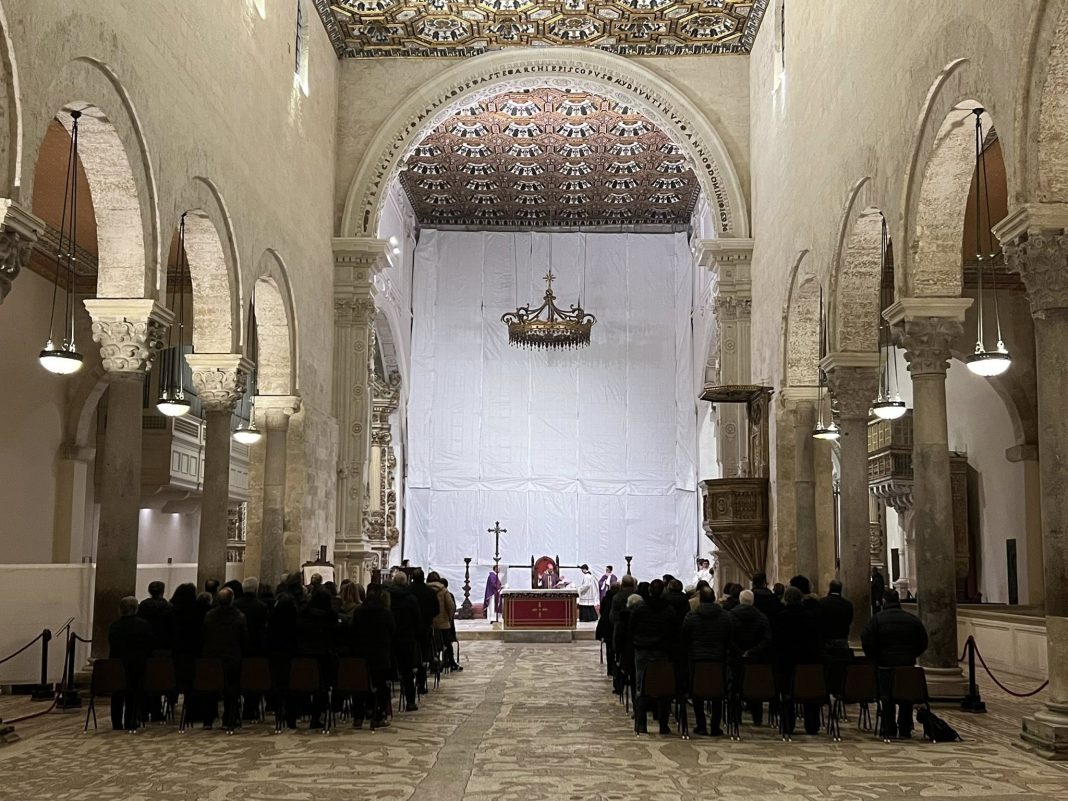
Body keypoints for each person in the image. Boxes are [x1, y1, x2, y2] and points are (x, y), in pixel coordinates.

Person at [861, 589, 928, 739]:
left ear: (884, 601)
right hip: (907, 665)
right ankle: (905, 728)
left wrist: (875, 657)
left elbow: (866, 640)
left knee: (887, 698)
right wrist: (911, 655)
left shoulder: (877, 620)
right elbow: (923, 641)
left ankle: (889, 728)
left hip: (885, 665)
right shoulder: (912, 619)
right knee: (906, 697)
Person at [771, 586, 823, 736]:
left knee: (787, 694)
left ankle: (788, 724)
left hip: (786, 661)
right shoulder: (811, 617)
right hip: (808, 660)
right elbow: (817, 639)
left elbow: (776, 642)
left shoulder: (780, 618)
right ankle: (812, 725)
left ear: (786, 599)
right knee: (809, 693)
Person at [681, 585, 732, 736]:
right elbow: (729, 637)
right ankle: (715, 726)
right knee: (718, 694)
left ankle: (701, 724)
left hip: (697, 659)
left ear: (700, 599)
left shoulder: (692, 616)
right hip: (718, 658)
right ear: (714, 599)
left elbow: (685, 638)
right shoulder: (724, 616)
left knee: (697, 694)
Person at [630, 579, 679, 735]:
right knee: (663, 688)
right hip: (662, 651)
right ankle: (663, 725)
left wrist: (637, 642)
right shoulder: (669, 610)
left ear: (650, 591)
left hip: (643, 651)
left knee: (641, 688)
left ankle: (641, 724)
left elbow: (632, 628)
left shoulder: (639, 608)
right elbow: (674, 631)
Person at [201, 587, 247, 730]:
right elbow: (243, 638)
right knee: (231, 689)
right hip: (232, 656)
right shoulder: (238, 616)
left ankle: (208, 720)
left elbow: (204, 635)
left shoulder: (209, 615)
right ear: (232, 599)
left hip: (212, 656)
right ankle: (229, 718)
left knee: (210, 689)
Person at [349, 583, 395, 728]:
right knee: (380, 686)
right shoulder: (386, 613)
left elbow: (353, 631)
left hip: (361, 654)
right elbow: (392, 632)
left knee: (360, 685)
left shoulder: (358, 612)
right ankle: (378, 716)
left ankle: (358, 717)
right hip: (380, 655)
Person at [108, 596, 154, 730]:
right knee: (133, 693)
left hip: (117, 663)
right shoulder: (143, 625)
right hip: (137, 664)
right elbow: (149, 645)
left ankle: (116, 722)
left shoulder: (114, 626)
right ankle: (131, 721)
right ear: (135, 609)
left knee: (117, 694)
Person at [729, 589, 772, 725]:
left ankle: (735, 717)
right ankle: (757, 718)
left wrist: (738, 651)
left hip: (736, 658)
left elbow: (728, 637)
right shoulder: (761, 617)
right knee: (755, 688)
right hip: (755, 659)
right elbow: (766, 639)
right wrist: (753, 651)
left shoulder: (731, 616)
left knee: (735, 687)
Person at [296, 589, 338, 729]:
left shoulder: (304, 615)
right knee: (323, 686)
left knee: (304, 684)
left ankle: (302, 711)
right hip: (324, 656)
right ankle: (317, 715)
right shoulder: (330, 617)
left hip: (305, 655)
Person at [388, 571, 422, 711]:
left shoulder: (388, 597)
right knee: (407, 671)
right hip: (407, 638)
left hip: (391, 638)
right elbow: (417, 619)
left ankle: (385, 705)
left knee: (389, 669)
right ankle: (410, 701)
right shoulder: (411, 599)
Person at [410, 568, 440, 690]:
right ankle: (421, 683)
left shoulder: (408, 590)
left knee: (412, 654)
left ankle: (410, 679)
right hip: (425, 627)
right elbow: (436, 610)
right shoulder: (430, 592)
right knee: (423, 654)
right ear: (423, 578)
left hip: (411, 628)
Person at [427, 571, 460, 670]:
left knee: (430, 644)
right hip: (442, 623)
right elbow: (451, 606)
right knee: (447, 643)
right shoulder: (444, 591)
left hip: (428, 624)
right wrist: (449, 618)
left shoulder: (425, 590)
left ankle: (431, 663)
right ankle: (450, 661)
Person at [818, 579, 854, 655]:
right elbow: (849, 621)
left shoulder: (821, 603)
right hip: (842, 638)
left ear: (830, 588)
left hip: (827, 639)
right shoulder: (848, 604)